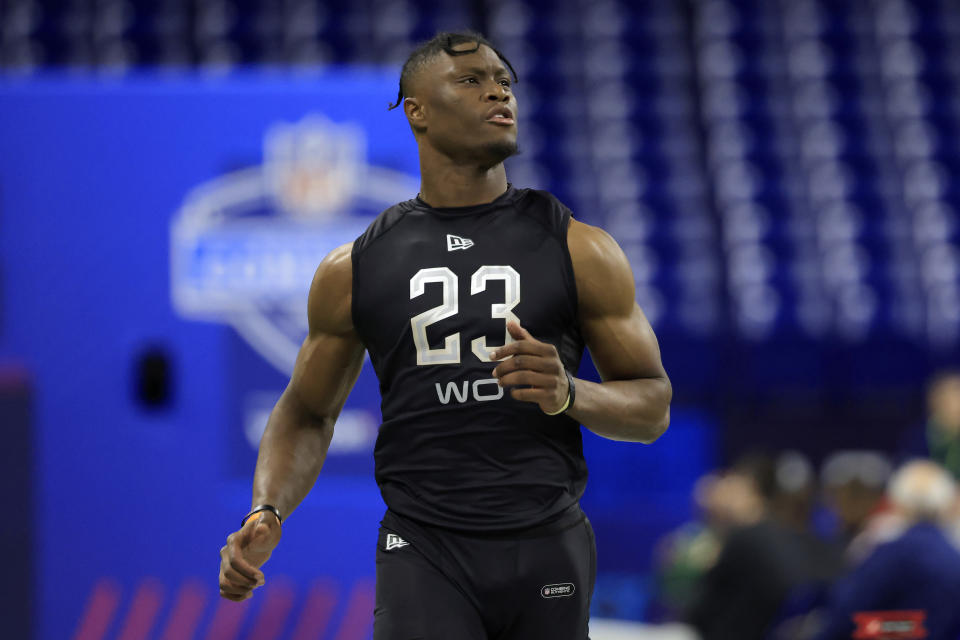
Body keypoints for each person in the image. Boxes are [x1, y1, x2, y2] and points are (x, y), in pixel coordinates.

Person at [217, 31, 672, 640]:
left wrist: (570, 393)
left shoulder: (581, 248)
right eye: (472, 80)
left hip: (548, 539)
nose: (497, 92)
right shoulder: (353, 267)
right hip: (424, 547)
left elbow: (652, 406)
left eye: (505, 82)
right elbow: (305, 412)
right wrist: (267, 508)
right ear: (417, 110)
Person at [813, 460, 960, 640]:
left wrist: (879, 628)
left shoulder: (890, 554)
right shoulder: (954, 556)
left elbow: (844, 617)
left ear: (896, 503)